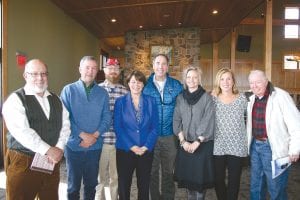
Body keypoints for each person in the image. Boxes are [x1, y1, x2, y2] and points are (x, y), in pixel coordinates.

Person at [2, 59, 71, 200]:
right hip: (23, 161)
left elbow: (65, 125)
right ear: (25, 76)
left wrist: (59, 148)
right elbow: (22, 132)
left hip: (52, 161)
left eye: (43, 74)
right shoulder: (15, 100)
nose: (40, 78)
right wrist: (48, 150)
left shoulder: (56, 99)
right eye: (34, 74)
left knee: (50, 196)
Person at [60, 56, 111, 200]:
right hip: (73, 146)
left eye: (94, 68)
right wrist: (83, 135)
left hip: (95, 147)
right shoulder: (68, 90)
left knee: (91, 185)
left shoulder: (102, 93)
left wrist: (94, 136)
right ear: (80, 69)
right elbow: (64, 118)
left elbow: (107, 118)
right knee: (72, 186)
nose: (90, 71)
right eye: (87, 67)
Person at [247, 70, 300, 200]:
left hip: (273, 148)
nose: (254, 86)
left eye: (258, 82)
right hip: (255, 146)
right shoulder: (252, 98)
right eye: (251, 83)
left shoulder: (281, 96)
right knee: (256, 186)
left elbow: (296, 124)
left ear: (266, 81)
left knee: (276, 187)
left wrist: (295, 149)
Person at [143, 54, 183, 200]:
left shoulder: (176, 85)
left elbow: (185, 105)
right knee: (151, 171)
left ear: (168, 66)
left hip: (170, 136)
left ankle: (168, 197)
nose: (161, 66)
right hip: (150, 136)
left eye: (164, 63)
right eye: (158, 63)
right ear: (153, 65)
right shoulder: (144, 85)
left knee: (168, 171)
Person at [114, 70, 159, 200]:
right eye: (133, 81)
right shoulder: (120, 102)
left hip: (145, 151)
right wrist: (132, 146)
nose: (136, 85)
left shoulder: (151, 101)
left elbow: (155, 127)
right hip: (125, 150)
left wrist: (146, 147)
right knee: (124, 185)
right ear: (128, 83)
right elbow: (118, 127)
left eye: (139, 82)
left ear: (143, 84)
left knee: (144, 185)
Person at [173, 66, 215, 200]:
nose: (192, 80)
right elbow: (176, 120)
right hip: (185, 144)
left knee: (200, 182)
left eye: (195, 77)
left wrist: (197, 141)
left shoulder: (206, 98)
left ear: (199, 79)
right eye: (189, 77)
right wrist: (183, 141)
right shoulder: (180, 98)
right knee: (188, 181)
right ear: (185, 79)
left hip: (202, 145)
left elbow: (208, 120)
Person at [212, 68, 248, 200]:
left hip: (237, 145)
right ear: (218, 81)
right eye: (222, 79)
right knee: (218, 178)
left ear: (233, 81)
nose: (225, 82)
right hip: (218, 144)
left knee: (234, 179)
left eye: (228, 79)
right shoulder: (212, 99)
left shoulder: (243, 99)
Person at [97, 58, 128, 200]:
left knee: (116, 177)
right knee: (99, 178)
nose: (113, 71)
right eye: (110, 68)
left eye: (116, 68)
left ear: (119, 72)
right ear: (104, 71)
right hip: (100, 141)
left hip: (118, 143)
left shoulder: (125, 92)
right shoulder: (97, 90)